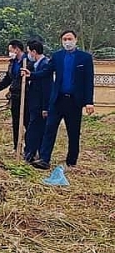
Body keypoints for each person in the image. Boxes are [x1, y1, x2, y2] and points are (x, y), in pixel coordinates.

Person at [32, 29, 95, 169]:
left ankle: (71, 161)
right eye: (64, 39)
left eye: (69, 39)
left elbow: (88, 81)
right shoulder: (57, 56)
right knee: (50, 129)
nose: (67, 42)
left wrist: (89, 102)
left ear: (75, 40)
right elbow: (46, 71)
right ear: (61, 41)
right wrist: (31, 74)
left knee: (73, 132)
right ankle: (44, 159)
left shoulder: (85, 58)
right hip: (57, 100)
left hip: (74, 101)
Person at [0, 40, 28, 152]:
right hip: (15, 96)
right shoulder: (13, 63)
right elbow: (7, 79)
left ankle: (30, 147)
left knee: (27, 122)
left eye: (10, 50)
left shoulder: (28, 61)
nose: (9, 53)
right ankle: (17, 147)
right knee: (16, 122)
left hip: (26, 96)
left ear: (17, 49)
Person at [21, 39, 51, 164]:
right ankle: (32, 152)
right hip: (34, 104)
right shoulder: (36, 65)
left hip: (40, 105)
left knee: (35, 129)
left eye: (28, 52)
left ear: (34, 51)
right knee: (34, 128)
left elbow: (47, 88)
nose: (28, 55)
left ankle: (31, 153)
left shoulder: (45, 65)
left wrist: (45, 107)